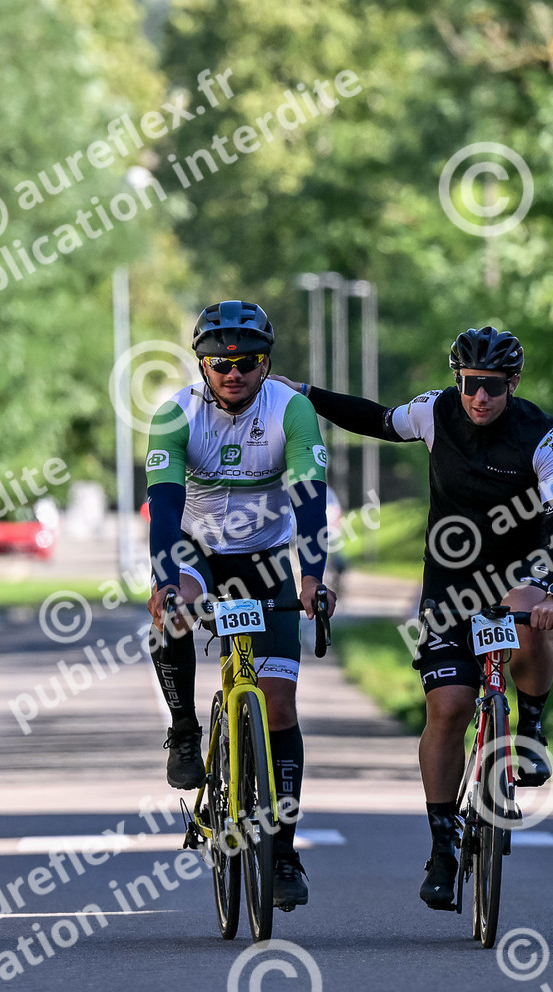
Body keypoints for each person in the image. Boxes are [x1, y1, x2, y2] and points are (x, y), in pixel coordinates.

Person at [273, 325, 553, 911]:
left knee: (537, 620)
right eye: (469, 383)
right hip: (450, 583)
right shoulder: (436, 412)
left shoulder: (545, 437)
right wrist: (308, 393)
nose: (479, 397)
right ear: (456, 379)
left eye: (493, 386)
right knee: (449, 708)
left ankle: (531, 726)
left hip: (519, 574)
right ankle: (443, 845)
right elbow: (376, 419)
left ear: (513, 383)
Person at [145, 300, 335, 910]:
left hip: (267, 559)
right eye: (220, 363)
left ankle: (283, 852)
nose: (234, 373)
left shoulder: (291, 410)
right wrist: (165, 581)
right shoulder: (176, 414)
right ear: (202, 365)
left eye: (247, 362)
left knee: (278, 705)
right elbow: (164, 510)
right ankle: (183, 730)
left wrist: (313, 577)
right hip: (197, 550)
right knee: (172, 609)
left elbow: (309, 498)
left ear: (266, 363)